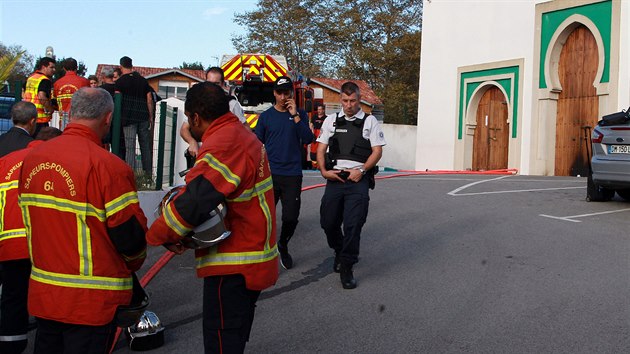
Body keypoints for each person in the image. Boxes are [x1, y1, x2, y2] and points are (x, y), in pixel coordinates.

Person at [146, 82, 277, 354]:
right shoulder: (238, 133)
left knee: (222, 342)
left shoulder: (225, 142)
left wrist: (157, 235)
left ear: (195, 117)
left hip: (234, 265)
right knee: (234, 337)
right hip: (249, 260)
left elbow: (196, 199)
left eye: (188, 119)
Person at [18, 87, 148, 353]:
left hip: (45, 295)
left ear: (69, 111)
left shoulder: (32, 160)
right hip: (91, 303)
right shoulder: (109, 167)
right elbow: (130, 238)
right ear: (108, 118)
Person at [316, 81, 386, 289]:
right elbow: (321, 149)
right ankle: (339, 250)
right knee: (328, 222)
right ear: (340, 100)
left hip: (358, 178)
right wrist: (324, 171)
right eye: (345, 101)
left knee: (353, 224)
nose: (349, 105)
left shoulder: (369, 121)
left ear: (358, 99)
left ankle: (347, 266)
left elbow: (377, 151)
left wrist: (362, 170)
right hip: (335, 177)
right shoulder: (331, 120)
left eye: (353, 101)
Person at [0, 127, 61, 354]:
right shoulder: (54, 163)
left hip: (9, 244)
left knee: (12, 298)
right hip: (44, 244)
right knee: (48, 296)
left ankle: (10, 346)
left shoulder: (5, 162)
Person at [255, 76, 313, 269]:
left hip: (293, 174)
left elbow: (308, 138)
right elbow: (256, 145)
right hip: (270, 174)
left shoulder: (300, 115)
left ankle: (283, 244)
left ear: (291, 93)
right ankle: (262, 250)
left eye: (286, 92)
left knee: (291, 217)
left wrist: (295, 115)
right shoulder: (265, 117)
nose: (283, 96)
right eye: (279, 92)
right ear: (274, 93)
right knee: (264, 216)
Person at [180, 66, 247, 169]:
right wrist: (192, 142)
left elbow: (246, 131)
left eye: (216, 84)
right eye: (209, 83)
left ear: (223, 84)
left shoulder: (232, 104)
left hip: (223, 160)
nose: (213, 88)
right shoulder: (197, 102)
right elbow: (184, 129)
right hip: (201, 157)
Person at [115, 56, 154, 175]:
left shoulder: (120, 81)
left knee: (130, 148)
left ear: (121, 67)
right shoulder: (142, 80)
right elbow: (149, 98)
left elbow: (118, 99)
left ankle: (131, 174)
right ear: (132, 65)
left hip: (128, 118)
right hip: (143, 117)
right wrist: (150, 116)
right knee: (145, 147)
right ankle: (148, 174)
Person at [22, 57, 56, 136]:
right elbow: (42, 96)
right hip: (40, 120)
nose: (54, 70)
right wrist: (50, 109)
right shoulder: (45, 80)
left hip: (27, 116)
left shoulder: (31, 78)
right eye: (51, 67)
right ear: (44, 67)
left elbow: (23, 92)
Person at [309, 104, 326, 168]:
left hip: (322, 134)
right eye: (318, 109)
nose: (318, 111)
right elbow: (311, 125)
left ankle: (320, 165)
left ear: (323, 110)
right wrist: (312, 134)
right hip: (315, 134)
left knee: (321, 150)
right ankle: (314, 165)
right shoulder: (314, 117)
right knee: (313, 150)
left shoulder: (326, 118)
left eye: (320, 109)